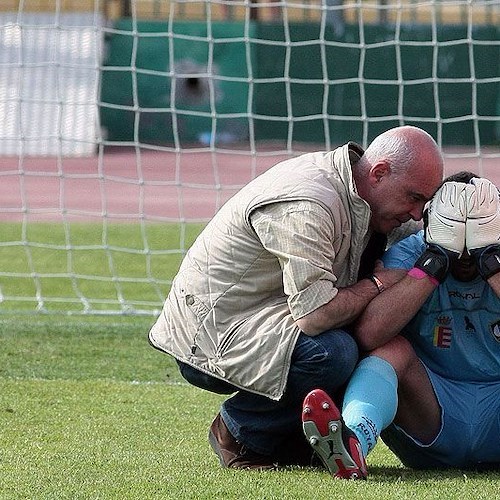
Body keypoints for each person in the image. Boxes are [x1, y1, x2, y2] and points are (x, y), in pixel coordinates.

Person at [148, 125, 444, 471]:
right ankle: (237, 430)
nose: (416, 213)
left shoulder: (367, 196)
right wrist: (377, 284)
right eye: (414, 198)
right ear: (379, 173)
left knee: (377, 326)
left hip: (265, 317)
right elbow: (315, 316)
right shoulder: (308, 204)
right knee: (335, 352)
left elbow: (429, 228)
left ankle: (293, 445)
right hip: (212, 334)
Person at [301, 172, 500, 479]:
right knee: (390, 348)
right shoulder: (411, 252)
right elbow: (369, 334)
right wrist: (435, 263)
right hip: (429, 412)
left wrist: (491, 262)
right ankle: (353, 440)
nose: (465, 256)